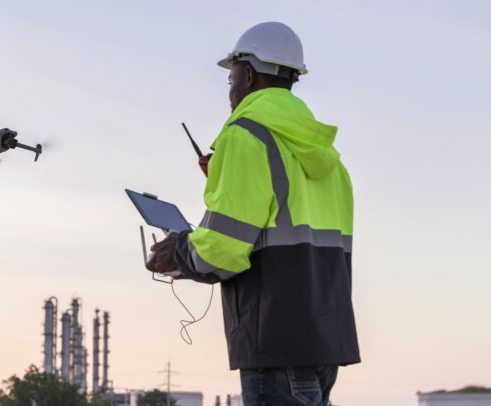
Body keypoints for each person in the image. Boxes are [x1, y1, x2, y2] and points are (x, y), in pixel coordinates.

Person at [147, 22, 359, 406]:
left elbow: (221, 250)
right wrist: (228, 175)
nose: (230, 89)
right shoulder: (327, 156)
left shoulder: (245, 135)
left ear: (247, 73)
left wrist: (176, 250)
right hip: (325, 340)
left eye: (231, 78)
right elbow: (284, 219)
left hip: (274, 340)